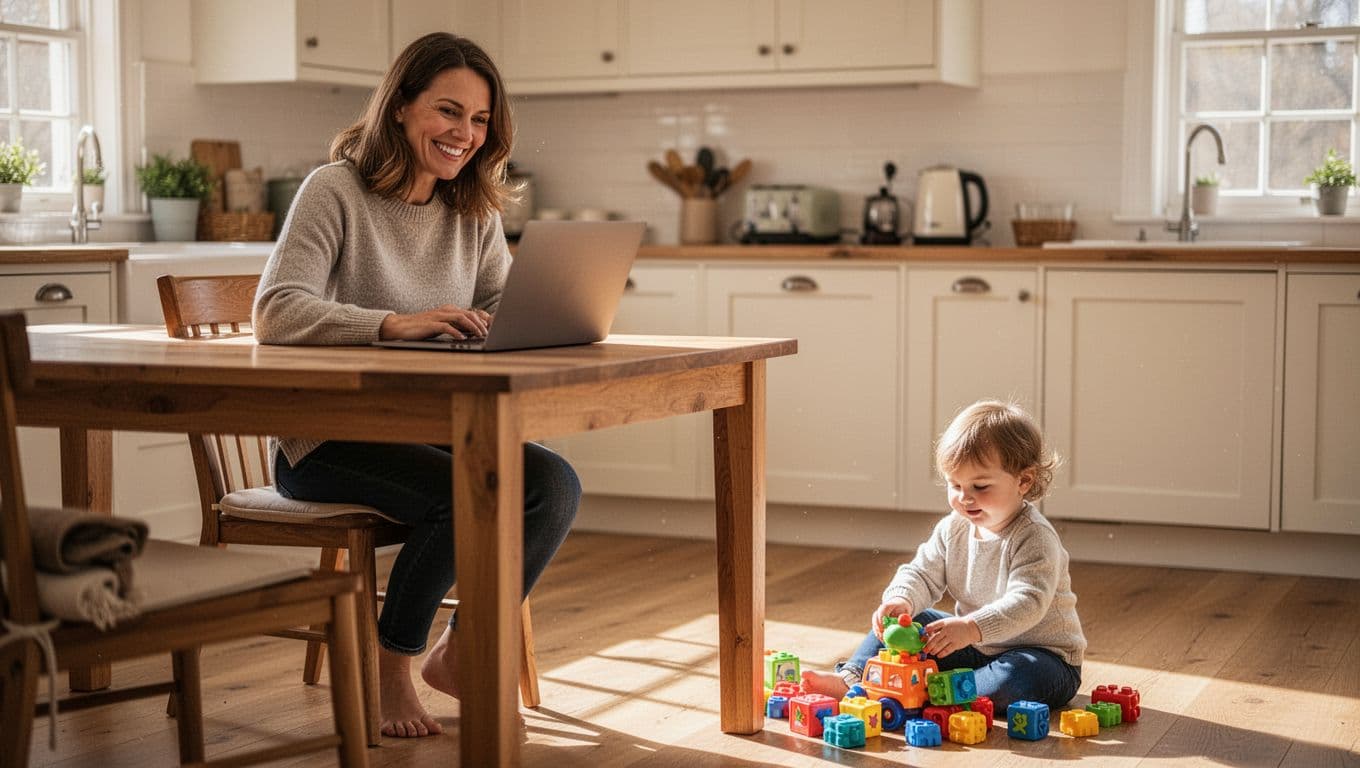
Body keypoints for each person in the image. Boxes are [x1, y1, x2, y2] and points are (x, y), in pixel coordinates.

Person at [253, 32, 580, 738]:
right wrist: (393, 324)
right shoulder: (333, 190)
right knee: (463, 495)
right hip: (326, 441)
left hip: (430, 429)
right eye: (448, 111)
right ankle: (389, 669)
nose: (464, 134)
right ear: (400, 108)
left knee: (553, 485)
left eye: (479, 120)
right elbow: (276, 310)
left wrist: (508, 322)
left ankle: (459, 654)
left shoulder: (475, 208)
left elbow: (497, 304)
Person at [801, 400, 1085, 713]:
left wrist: (971, 628)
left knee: (1017, 677)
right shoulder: (953, 528)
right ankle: (852, 679)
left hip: (1043, 656)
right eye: (955, 484)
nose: (965, 497)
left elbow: (1027, 603)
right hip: (973, 643)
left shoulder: (1035, 537)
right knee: (913, 621)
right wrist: (902, 600)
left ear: (1023, 481)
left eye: (980, 486)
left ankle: (941, 689)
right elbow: (922, 572)